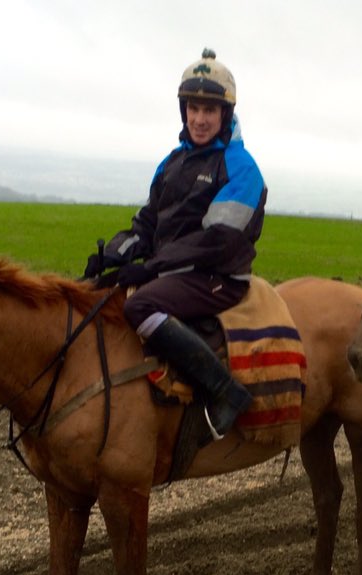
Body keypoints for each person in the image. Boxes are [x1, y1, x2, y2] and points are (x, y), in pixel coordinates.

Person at [84, 49, 268, 441]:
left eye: (209, 110)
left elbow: (215, 241)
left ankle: (226, 392)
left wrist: (151, 268)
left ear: (225, 115)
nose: (200, 119)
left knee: (140, 304)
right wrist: (114, 254)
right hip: (175, 270)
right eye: (193, 109)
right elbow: (148, 221)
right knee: (95, 295)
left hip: (218, 276)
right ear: (183, 111)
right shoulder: (172, 162)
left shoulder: (242, 168)